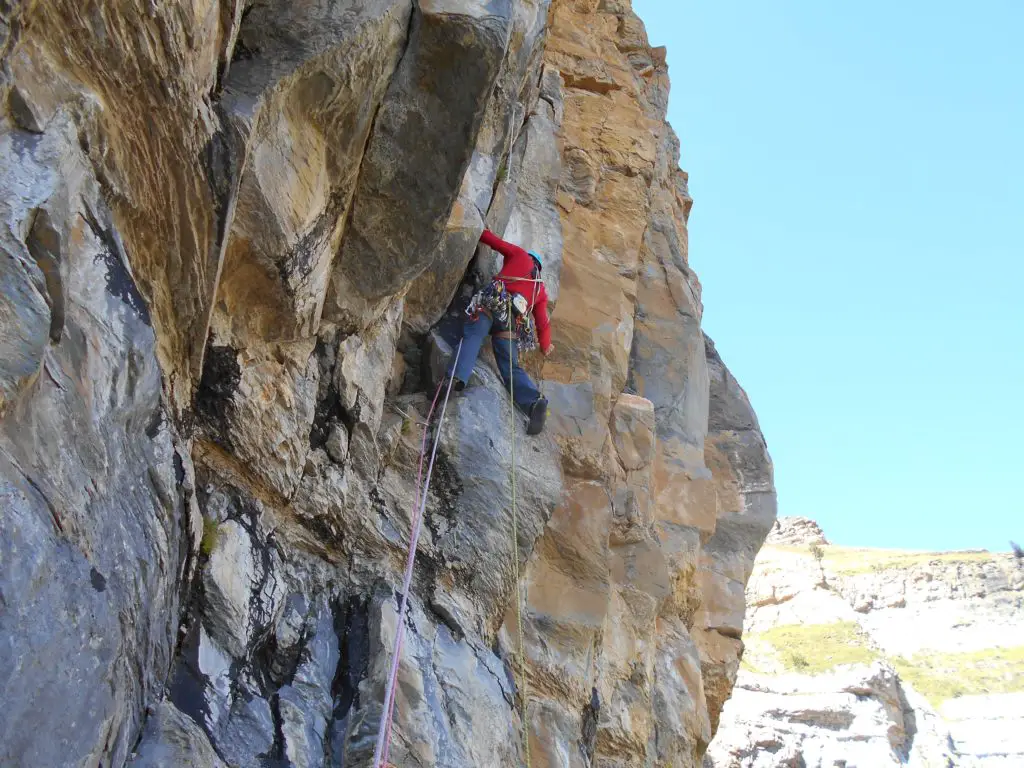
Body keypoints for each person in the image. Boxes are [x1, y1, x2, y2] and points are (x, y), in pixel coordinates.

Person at [445, 228, 555, 435]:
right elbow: (543, 323)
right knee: (511, 367)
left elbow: (494, 241)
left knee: (474, 336)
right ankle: (533, 402)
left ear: (531, 258)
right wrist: (546, 345)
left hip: (491, 304)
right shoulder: (540, 291)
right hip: (511, 324)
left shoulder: (520, 255)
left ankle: (457, 379)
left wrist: (480, 229)